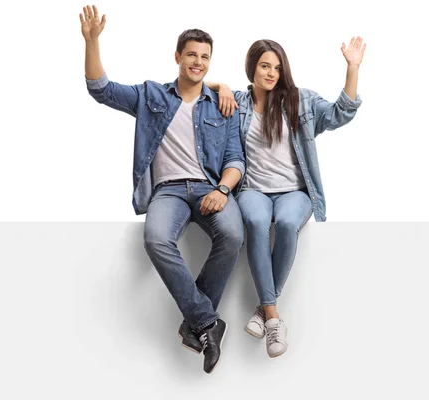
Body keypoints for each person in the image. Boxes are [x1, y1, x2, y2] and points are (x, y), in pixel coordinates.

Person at [80, 5, 245, 373]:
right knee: (155, 239)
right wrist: (92, 42)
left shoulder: (222, 106)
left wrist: (222, 189)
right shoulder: (151, 94)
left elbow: (236, 160)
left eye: (205, 57)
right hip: (168, 192)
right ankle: (207, 321)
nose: (198, 62)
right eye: (191, 55)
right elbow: (100, 89)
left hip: (209, 187)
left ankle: (196, 325)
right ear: (177, 56)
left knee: (233, 234)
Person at [207, 37, 366, 358]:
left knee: (288, 223)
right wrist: (221, 85)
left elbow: (340, 113)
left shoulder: (300, 101)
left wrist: (353, 68)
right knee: (254, 220)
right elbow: (193, 85)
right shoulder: (236, 103)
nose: (271, 73)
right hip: (253, 189)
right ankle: (274, 319)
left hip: (295, 191)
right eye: (265, 66)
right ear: (252, 67)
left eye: (277, 68)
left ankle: (264, 310)